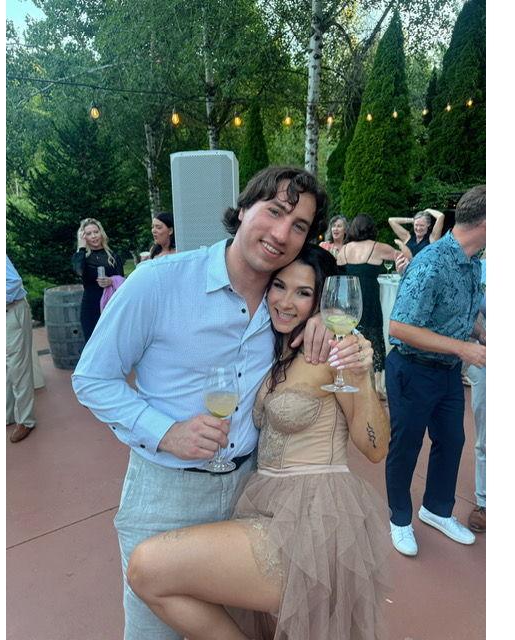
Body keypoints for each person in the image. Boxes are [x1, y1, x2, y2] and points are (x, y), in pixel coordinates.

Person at [72, 166, 357, 640]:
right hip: (167, 491)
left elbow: (320, 306)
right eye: (274, 211)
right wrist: (166, 431)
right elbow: (92, 378)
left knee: (237, 623)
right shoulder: (159, 282)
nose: (281, 233)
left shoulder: (283, 302)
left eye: (299, 225)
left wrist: (321, 319)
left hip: (250, 493)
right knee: (154, 632)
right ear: (243, 209)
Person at [126, 244, 391, 640]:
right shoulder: (274, 348)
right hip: (265, 502)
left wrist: (362, 376)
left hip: (313, 518)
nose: (285, 302)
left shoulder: (333, 353)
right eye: (279, 286)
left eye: (303, 293)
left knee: (149, 567)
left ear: (320, 301)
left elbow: (375, 449)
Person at [384, 185, 486, 557]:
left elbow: (461, 310)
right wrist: (463, 348)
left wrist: (482, 334)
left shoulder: (472, 262)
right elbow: (399, 327)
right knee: (407, 445)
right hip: (412, 369)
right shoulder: (432, 261)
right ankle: (399, 518)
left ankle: (436, 510)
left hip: (445, 371)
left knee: (452, 441)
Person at [337, 213, 398, 390]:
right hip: (370, 300)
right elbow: (405, 255)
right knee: (375, 341)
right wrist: (404, 241)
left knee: (349, 341)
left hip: (349, 302)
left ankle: (350, 381)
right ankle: (376, 386)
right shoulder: (377, 247)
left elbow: (338, 275)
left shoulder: (344, 249)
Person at [71, 217, 124, 342]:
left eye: (96, 232)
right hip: (91, 307)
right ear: (84, 237)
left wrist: (111, 281)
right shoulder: (81, 257)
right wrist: (81, 247)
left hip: (112, 305)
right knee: (93, 343)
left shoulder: (113, 256)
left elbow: (122, 282)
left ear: (101, 233)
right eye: (89, 234)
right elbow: (78, 271)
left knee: (113, 341)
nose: (94, 236)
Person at [6, 255, 36, 443]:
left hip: (11, 311)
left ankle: (26, 421)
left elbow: (14, 282)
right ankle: (7, 414)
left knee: (19, 368)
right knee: (5, 368)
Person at [467, 255, 486, 532]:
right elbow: (466, 307)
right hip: (487, 354)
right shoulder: (479, 265)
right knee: (486, 434)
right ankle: (485, 500)